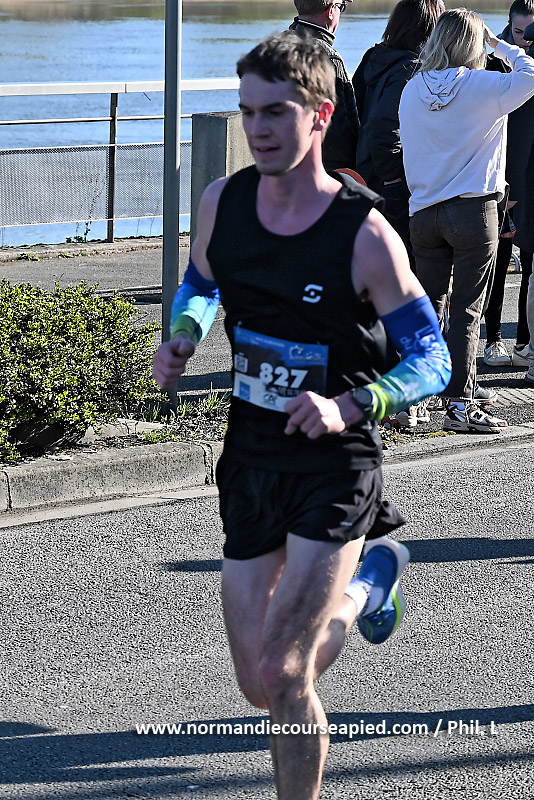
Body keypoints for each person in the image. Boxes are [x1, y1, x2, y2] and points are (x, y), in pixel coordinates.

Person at [153, 33, 451, 800]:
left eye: (276, 113)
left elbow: (433, 359)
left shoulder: (364, 234)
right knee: (260, 685)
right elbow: (200, 282)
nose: (257, 129)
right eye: (248, 112)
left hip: (334, 466)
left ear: (319, 116)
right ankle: (372, 586)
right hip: (251, 460)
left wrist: (353, 402)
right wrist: (183, 332)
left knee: (285, 671)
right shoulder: (223, 203)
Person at [399, 9, 534, 433]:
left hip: (424, 211)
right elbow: (531, 74)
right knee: (467, 311)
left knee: (428, 307)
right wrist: (502, 45)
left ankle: (412, 402)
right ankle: (459, 404)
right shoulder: (484, 85)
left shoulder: (412, 89)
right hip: (473, 212)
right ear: (475, 45)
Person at [352, 0, 444, 256]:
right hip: (392, 183)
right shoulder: (411, 69)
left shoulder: (374, 57)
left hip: (366, 172)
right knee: (401, 260)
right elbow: (384, 126)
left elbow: (355, 109)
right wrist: (393, 179)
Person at [483, 0, 534, 369]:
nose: (525, 42)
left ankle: (525, 342)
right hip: (502, 175)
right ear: (508, 27)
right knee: (497, 264)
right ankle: (493, 339)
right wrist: (510, 184)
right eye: (519, 33)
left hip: (529, 174)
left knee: (529, 265)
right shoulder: (492, 61)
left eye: (531, 34)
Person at [289, 0, 359, 172]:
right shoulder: (329, 59)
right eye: (341, 7)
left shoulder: (278, 47)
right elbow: (340, 130)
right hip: (322, 169)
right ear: (331, 11)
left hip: (286, 163)